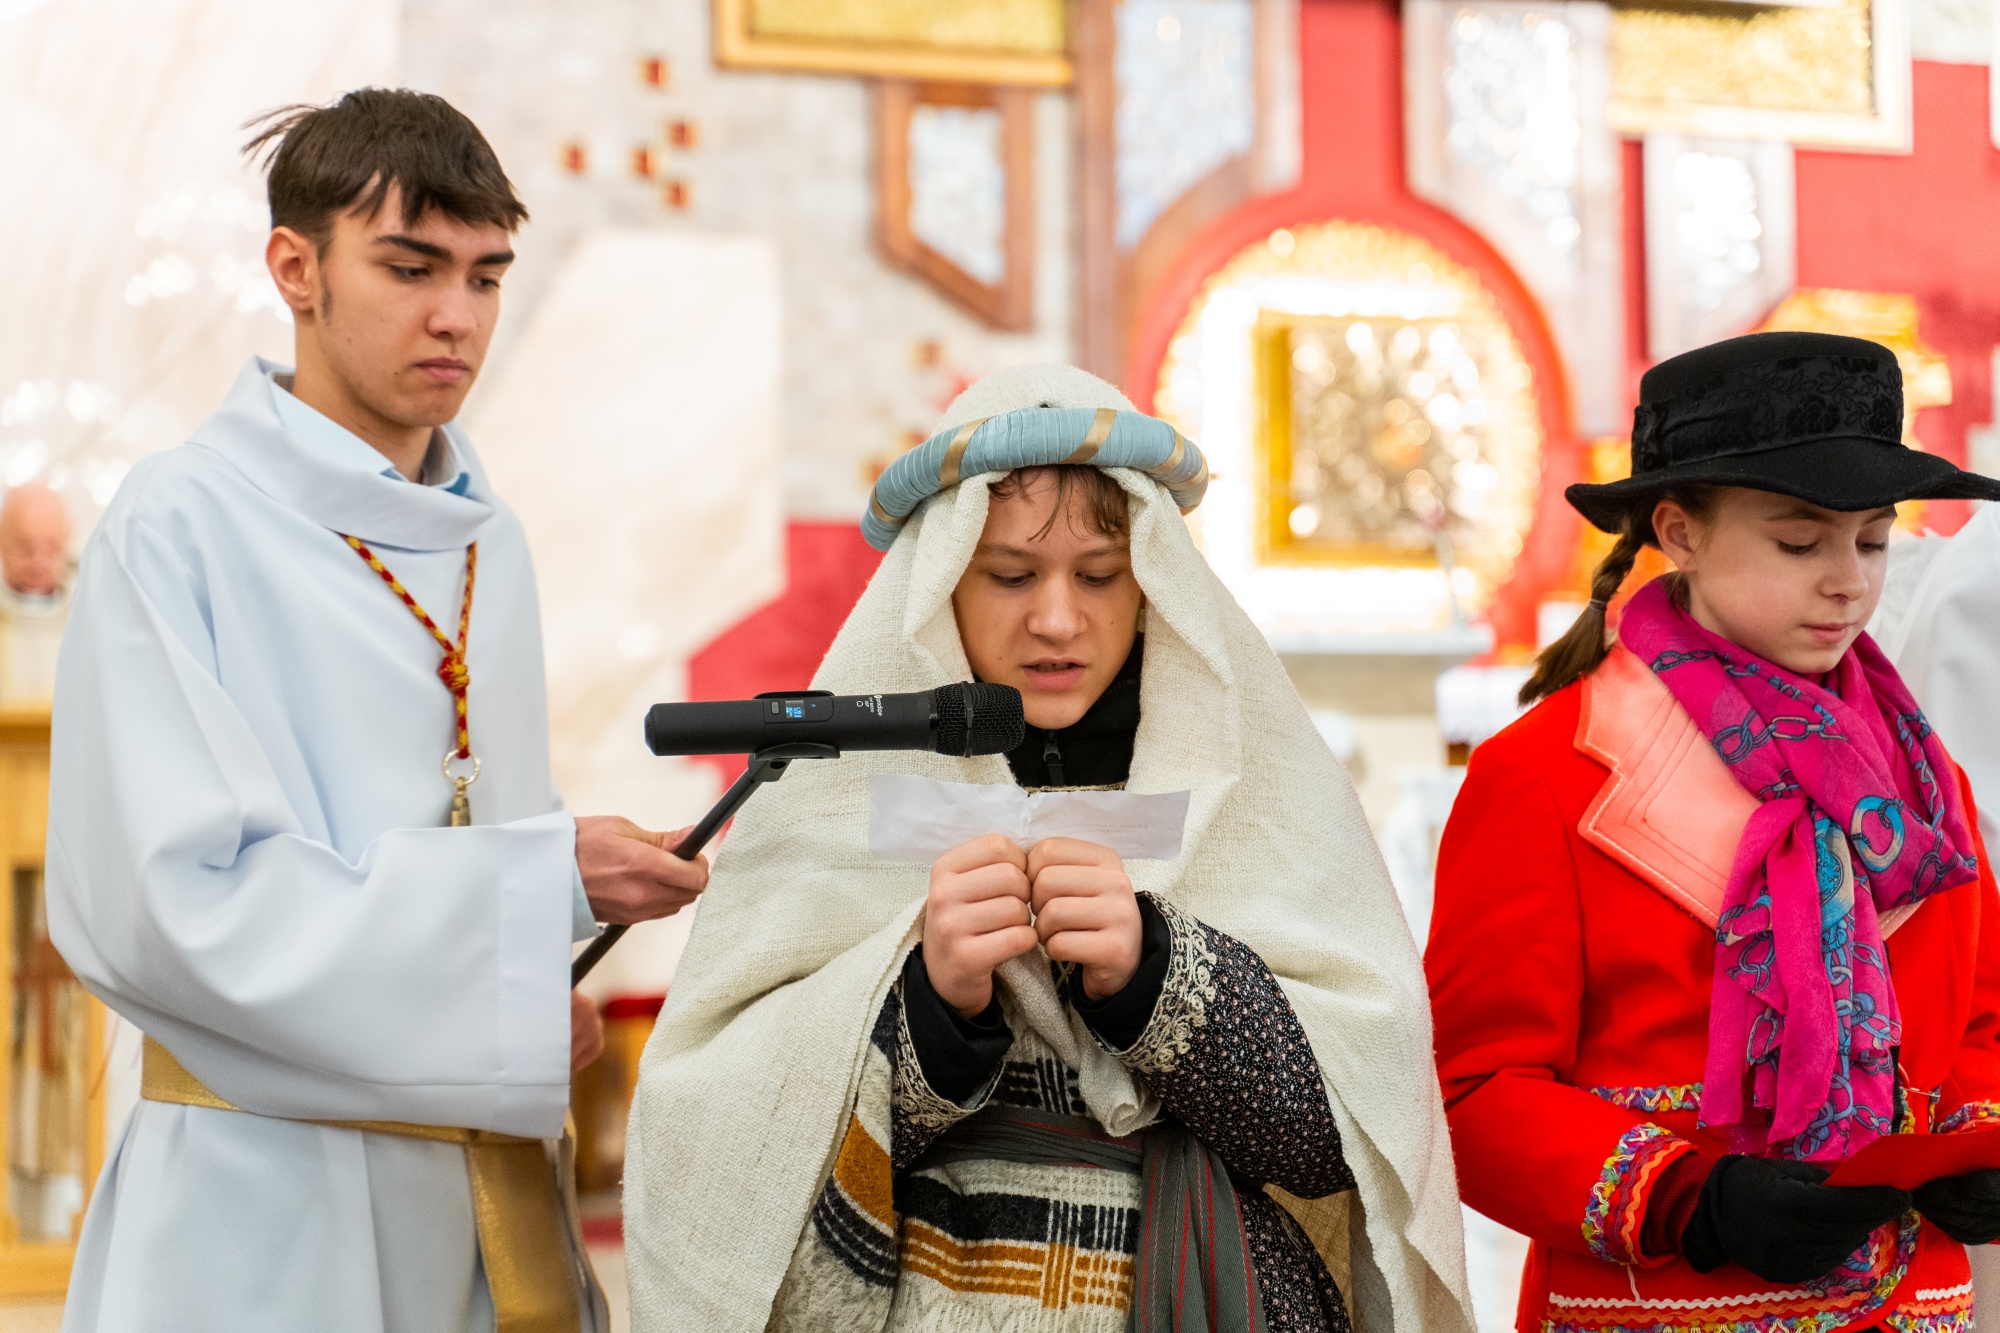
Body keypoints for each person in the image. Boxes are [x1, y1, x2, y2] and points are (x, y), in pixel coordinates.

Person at [622, 365, 1472, 1333]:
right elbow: (727, 1149)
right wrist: (931, 1007)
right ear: (942, 577)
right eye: (1011, 575)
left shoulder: (1258, 790)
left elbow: (1350, 1145)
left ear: (1150, 581)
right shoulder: (841, 794)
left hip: (1214, 1287)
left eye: (1100, 575)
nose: (1058, 619)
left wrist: (1155, 972)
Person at [48, 89, 708, 1333]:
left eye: (485, 276)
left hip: (483, 1195)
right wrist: (538, 887)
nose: (457, 315)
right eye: (410, 269)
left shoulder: (488, 540)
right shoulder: (179, 523)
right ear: (295, 269)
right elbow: (174, 911)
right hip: (262, 1201)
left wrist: (520, 987)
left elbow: (476, 822)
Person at [1426, 331, 2000, 1333]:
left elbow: (1983, 1026)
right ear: (1677, 532)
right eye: (1799, 543)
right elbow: (1468, 1090)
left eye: (1872, 542)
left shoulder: (1921, 774)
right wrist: (1688, 1198)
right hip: (1660, 1304)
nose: (1848, 583)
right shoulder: (1544, 775)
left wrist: (1980, 1142)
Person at [0, 481, 71, 703]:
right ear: (3, 543)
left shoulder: (85, 624)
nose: (38, 564)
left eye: (51, 549)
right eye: (26, 548)